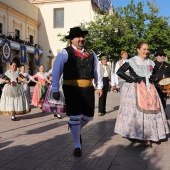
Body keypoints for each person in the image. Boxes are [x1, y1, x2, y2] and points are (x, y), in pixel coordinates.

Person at [52, 27, 103, 157]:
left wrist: (100, 85)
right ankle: (77, 146)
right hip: (71, 88)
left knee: (88, 116)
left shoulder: (92, 53)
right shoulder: (65, 52)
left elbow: (97, 70)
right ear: (71, 40)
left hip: (88, 88)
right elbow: (56, 71)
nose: (81, 39)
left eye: (82, 36)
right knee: (75, 116)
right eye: (78, 37)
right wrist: (55, 88)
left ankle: (75, 129)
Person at [114, 42, 169, 147]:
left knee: (152, 110)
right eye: (144, 49)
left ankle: (152, 134)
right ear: (138, 49)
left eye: (147, 49)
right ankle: (141, 135)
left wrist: (153, 78)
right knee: (138, 113)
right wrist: (132, 79)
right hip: (136, 89)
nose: (146, 51)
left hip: (149, 88)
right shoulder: (132, 61)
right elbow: (120, 72)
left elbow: (155, 73)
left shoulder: (150, 62)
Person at [152, 49, 170, 118]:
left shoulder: (168, 65)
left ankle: (162, 113)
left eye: (163, 55)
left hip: (166, 86)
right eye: (160, 55)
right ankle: (157, 114)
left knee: (163, 100)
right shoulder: (152, 64)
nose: (162, 56)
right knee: (156, 100)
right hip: (155, 85)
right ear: (156, 56)